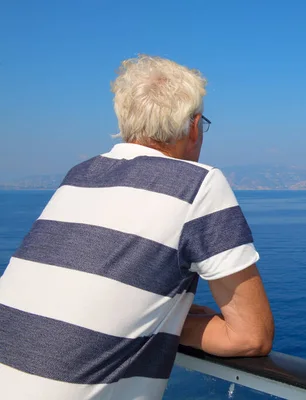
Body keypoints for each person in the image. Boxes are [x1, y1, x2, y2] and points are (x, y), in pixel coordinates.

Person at [0, 55, 275, 399]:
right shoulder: (198, 185)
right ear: (192, 127)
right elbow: (251, 336)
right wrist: (165, 323)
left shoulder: (80, 176)